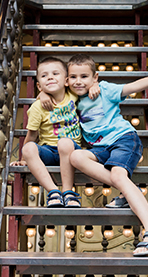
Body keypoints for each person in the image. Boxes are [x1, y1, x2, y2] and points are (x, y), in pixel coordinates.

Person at [66, 53, 148, 256]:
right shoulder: (70, 99)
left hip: (123, 139)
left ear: (95, 77)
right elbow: (47, 92)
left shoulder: (104, 89)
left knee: (117, 175)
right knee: (76, 157)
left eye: (84, 77)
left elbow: (132, 87)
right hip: (101, 148)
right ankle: (128, 189)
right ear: (66, 80)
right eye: (73, 77)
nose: (79, 81)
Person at [14, 57, 98, 208]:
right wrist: (24, 158)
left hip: (71, 152)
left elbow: (85, 85)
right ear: (39, 86)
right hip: (48, 151)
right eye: (44, 75)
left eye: (55, 73)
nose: (50, 77)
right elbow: (31, 136)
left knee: (64, 142)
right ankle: (53, 192)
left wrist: (94, 85)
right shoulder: (37, 108)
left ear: (66, 81)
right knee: (28, 147)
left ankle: (68, 192)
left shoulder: (73, 95)